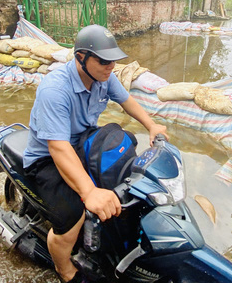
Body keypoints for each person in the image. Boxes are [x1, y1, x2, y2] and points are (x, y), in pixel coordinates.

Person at [23, 25, 168, 283]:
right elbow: (58, 147)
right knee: (71, 215)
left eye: (113, 60)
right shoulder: (54, 90)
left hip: (83, 143)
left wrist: (152, 125)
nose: (110, 66)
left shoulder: (103, 77)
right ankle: (65, 270)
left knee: (126, 166)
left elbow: (127, 101)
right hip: (48, 156)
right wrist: (88, 192)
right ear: (81, 57)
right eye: (103, 60)